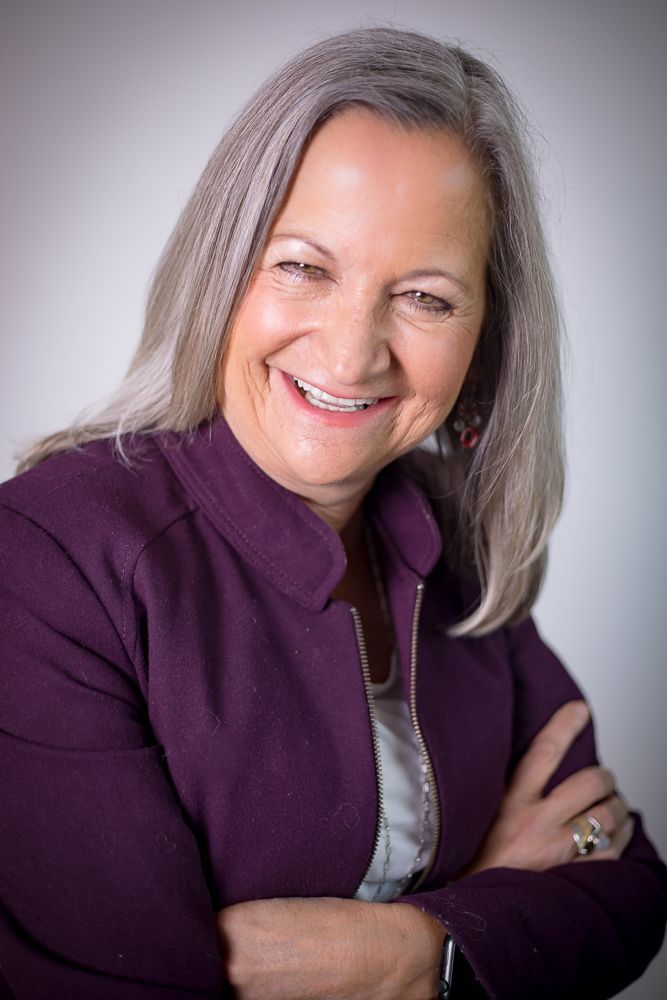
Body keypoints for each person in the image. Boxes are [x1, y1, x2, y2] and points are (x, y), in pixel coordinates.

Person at [0, 24, 665, 1000]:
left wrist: (410, 956)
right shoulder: (49, 555)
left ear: (487, 340)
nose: (352, 354)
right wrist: (495, 908)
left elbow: (629, 890)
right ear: (221, 270)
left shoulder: (461, 561)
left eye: (426, 298)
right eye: (305, 266)